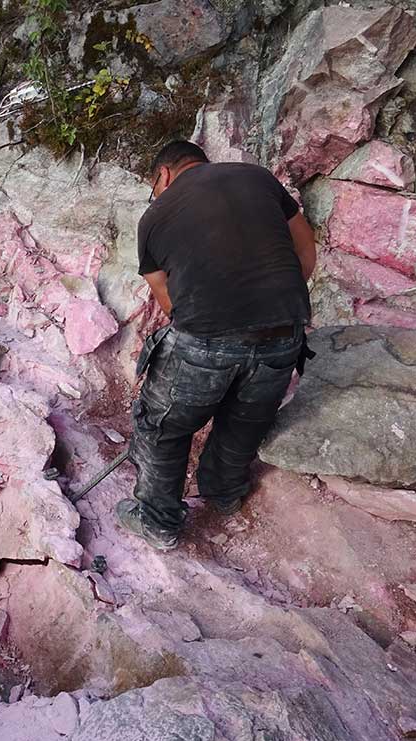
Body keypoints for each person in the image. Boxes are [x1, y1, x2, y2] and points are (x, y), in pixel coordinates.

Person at [116, 140, 317, 551]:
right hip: (285, 332)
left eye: (153, 186)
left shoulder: (154, 217)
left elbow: (169, 301)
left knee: (162, 426)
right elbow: (305, 248)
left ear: (164, 175)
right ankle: (224, 493)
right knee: (244, 418)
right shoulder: (258, 177)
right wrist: (272, 307)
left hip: (208, 339)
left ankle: (158, 522)